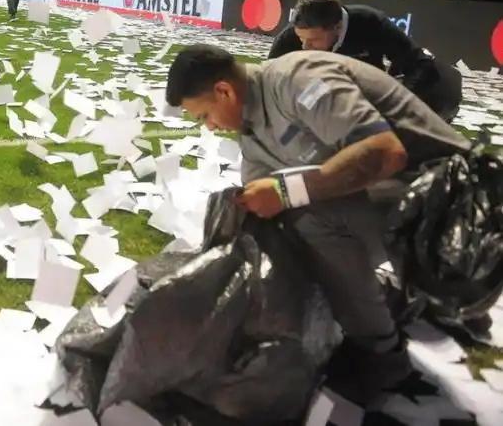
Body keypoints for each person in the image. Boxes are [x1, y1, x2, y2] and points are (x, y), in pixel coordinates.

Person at [165, 44, 471, 405]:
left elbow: (385, 153)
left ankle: (381, 354)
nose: (211, 127)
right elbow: (262, 198)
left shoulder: (298, 80)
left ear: (224, 91)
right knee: (281, 219)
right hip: (407, 200)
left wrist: (286, 191)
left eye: (205, 116)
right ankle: (377, 302)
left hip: (458, 203)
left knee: (309, 215)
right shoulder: (253, 127)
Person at [268, 0, 463, 123]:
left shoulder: (371, 23)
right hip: (321, 95)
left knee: (440, 86)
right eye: (301, 38)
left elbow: (420, 65)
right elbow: (267, 85)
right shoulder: (289, 39)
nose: (305, 46)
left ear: (337, 27)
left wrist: (391, 107)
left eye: (313, 40)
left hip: (372, 95)